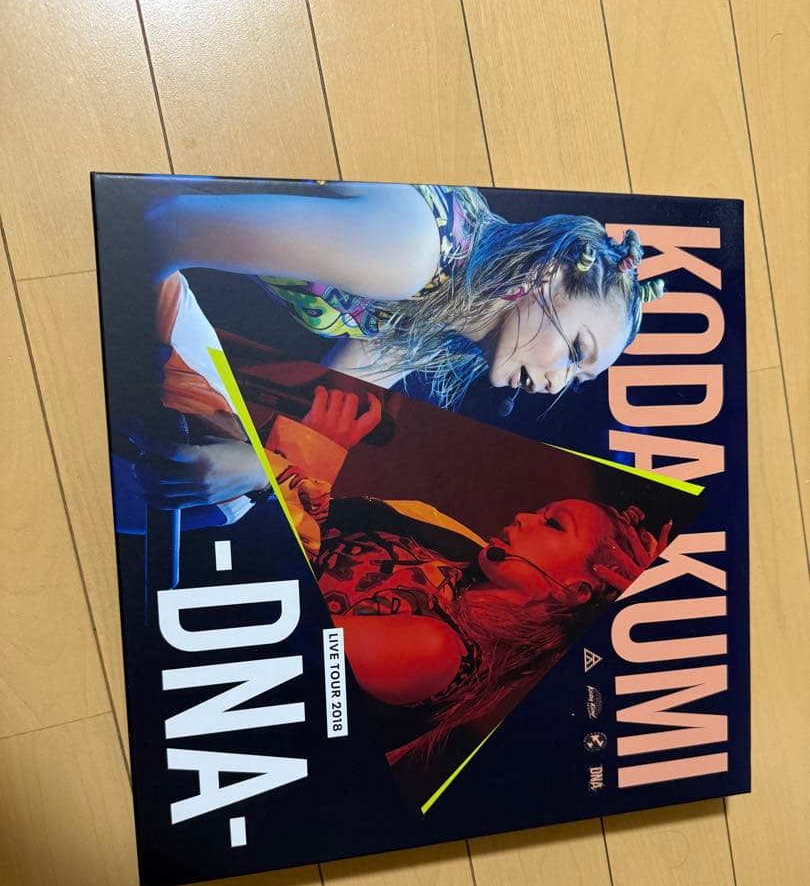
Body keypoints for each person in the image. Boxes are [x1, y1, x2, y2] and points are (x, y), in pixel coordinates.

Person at [133, 302, 671, 763]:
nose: (525, 518)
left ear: (574, 590)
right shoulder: (457, 553)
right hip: (213, 515)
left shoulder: (438, 653)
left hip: (191, 607)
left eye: (553, 524)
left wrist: (299, 455)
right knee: (163, 313)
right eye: (542, 511)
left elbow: (276, 626)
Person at [142, 179, 665, 410]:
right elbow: (162, 228)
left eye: (577, 380)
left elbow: (318, 414)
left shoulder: (439, 314)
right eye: (575, 350)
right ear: (548, 275)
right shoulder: (411, 254)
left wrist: (252, 469)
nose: (557, 384)